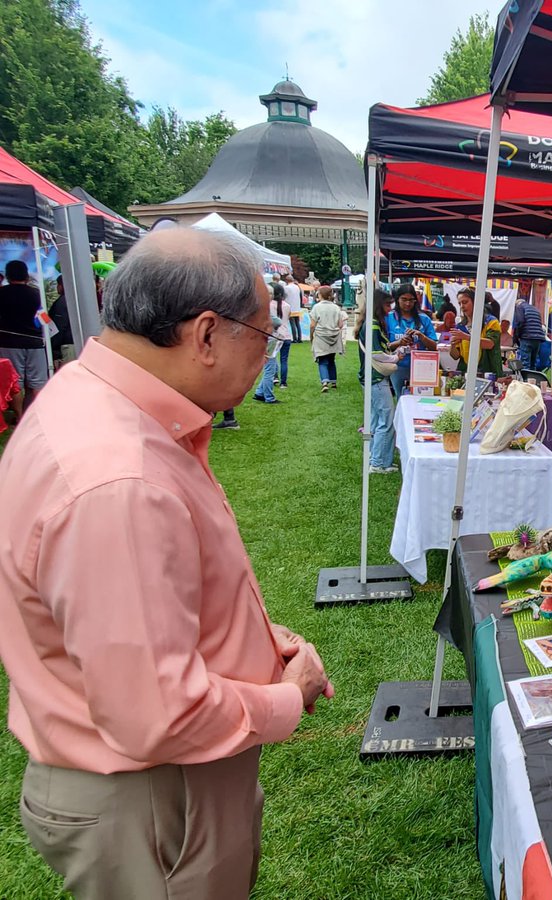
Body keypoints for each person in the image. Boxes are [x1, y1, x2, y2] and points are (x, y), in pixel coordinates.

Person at [0, 228, 333, 898]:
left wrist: (260, 642)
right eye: (263, 335)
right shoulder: (121, 478)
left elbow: (149, 614)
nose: (267, 355)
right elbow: (157, 713)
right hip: (152, 798)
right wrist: (283, 699)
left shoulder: (98, 404)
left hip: (144, 787)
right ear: (206, 334)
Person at [0, 260, 50, 420]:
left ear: (8, 275)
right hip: (35, 342)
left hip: (9, 342)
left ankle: (20, 417)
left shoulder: (1, 293)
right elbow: (43, 321)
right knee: (37, 383)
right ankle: (37, 416)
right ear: (26, 275)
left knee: (16, 383)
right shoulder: (36, 294)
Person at [359, 288, 398, 474]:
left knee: (377, 420)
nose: (390, 308)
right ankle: (379, 462)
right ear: (378, 305)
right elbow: (377, 353)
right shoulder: (373, 324)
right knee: (387, 420)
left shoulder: (370, 323)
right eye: (387, 304)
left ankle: (375, 458)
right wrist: (395, 358)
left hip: (370, 378)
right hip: (376, 378)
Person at [385, 282, 438, 397]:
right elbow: (385, 346)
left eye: (411, 300)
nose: (408, 303)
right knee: (401, 398)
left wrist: (421, 336)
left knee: (420, 398)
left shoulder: (424, 319)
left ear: (416, 301)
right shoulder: (389, 318)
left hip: (421, 366)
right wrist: (400, 342)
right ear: (397, 299)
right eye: (404, 299)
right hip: (398, 366)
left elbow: (435, 347)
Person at [448, 288, 503, 377]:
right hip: (465, 373)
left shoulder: (491, 322)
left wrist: (466, 337)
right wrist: (453, 345)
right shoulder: (460, 326)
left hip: (488, 373)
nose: (462, 306)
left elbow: (489, 344)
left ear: (475, 302)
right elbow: (455, 356)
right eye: (460, 303)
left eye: (465, 302)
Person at [310, 285, 345, 391]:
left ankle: (325, 382)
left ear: (320, 295)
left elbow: (312, 325)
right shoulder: (336, 307)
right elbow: (340, 324)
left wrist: (311, 336)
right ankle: (333, 381)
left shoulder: (317, 307)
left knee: (322, 360)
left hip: (321, 336)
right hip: (333, 336)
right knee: (331, 359)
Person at [512, 294, 547, 370]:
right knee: (533, 363)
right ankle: (532, 380)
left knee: (525, 363)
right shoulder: (534, 309)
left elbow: (520, 322)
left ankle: (525, 381)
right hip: (538, 338)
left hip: (527, 337)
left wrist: (517, 336)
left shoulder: (519, 307)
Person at [268, 281, 292, 389]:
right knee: (284, 359)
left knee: (272, 357)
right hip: (286, 335)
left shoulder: (269, 305)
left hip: (274, 334)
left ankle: (275, 376)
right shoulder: (287, 305)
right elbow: (288, 317)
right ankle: (283, 382)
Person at [50, 275, 75, 365]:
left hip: (66, 346)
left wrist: (54, 348)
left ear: (62, 285)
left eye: (58, 284)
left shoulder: (62, 302)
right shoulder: (76, 299)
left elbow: (59, 326)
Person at [282, 274, 303, 342]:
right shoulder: (297, 287)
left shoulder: (286, 288)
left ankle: (294, 338)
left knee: (292, 323)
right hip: (297, 307)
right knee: (297, 323)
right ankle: (300, 338)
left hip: (290, 307)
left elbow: (284, 297)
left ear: (287, 280)